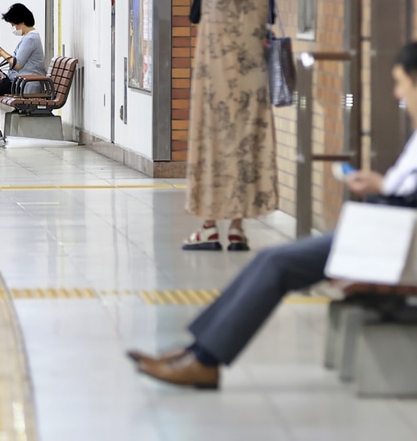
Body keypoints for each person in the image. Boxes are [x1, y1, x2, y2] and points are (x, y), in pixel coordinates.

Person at [128, 41, 417, 389]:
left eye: (402, 84)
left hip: (395, 242)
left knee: (276, 264)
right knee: (271, 261)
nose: (398, 94)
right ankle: (196, 352)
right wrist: (381, 184)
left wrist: (383, 192)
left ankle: (203, 360)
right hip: (387, 231)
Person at [184, 0, 278, 252]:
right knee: (246, 148)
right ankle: (238, 228)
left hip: (213, 83)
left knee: (210, 148)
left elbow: (194, 18)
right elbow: (270, 22)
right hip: (253, 84)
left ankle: (209, 226)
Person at [0, 3, 47, 143]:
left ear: (21, 22)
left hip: (27, 84)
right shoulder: (29, 37)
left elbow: (17, 63)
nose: (13, 28)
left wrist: (2, 53)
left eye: (13, 24)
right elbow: (17, 61)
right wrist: (1, 52)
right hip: (22, 82)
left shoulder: (31, 38)